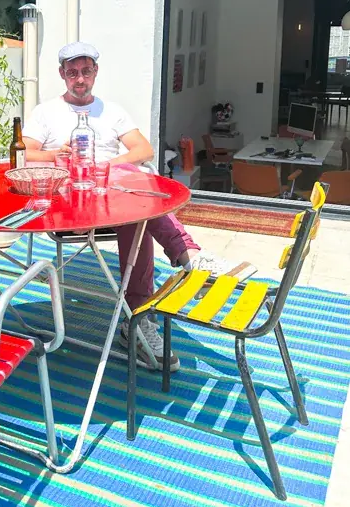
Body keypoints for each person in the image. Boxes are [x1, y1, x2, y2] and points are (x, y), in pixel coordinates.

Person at [22, 41, 254, 373]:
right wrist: (58, 154)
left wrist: (110, 169)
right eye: (72, 73)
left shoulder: (111, 110)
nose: (80, 79)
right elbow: (26, 153)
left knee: (136, 206)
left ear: (95, 72)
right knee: (136, 194)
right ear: (62, 75)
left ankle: (137, 321)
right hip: (68, 204)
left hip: (112, 193)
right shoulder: (45, 112)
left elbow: (142, 149)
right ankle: (188, 257)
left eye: (86, 71)